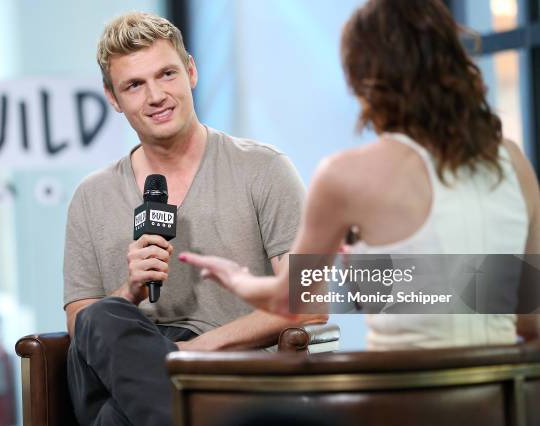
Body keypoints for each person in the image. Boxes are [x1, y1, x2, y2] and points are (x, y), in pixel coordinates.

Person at [181, 0, 540, 348]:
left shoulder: (344, 174)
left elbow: (291, 301)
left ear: (364, 79)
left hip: (405, 399)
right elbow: (529, 320)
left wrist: (237, 279)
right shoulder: (513, 161)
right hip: (503, 400)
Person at [63, 11, 326, 426]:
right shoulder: (90, 196)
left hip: (227, 374)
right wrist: (129, 290)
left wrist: (187, 354)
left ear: (191, 71)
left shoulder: (264, 169)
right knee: (101, 315)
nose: (156, 96)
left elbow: (309, 301)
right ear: (113, 98)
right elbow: (83, 324)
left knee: (115, 421)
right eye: (134, 85)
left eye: (166, 74)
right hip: (123, 374)